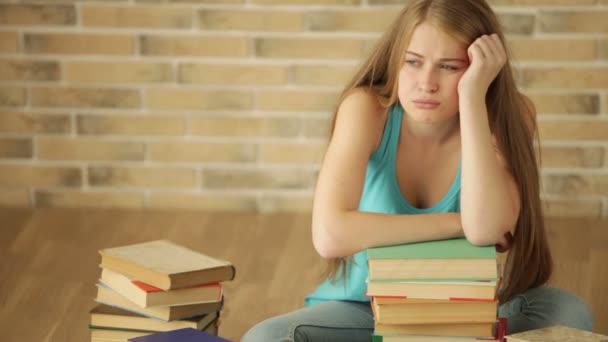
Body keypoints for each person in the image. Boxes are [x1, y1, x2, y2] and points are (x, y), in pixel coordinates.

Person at [242, 0, 594, 341]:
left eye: (450, 67)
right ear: (395, 60)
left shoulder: (510, 115)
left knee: (569, 312)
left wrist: (473, 99)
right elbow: (329, 235)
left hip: (472, 310)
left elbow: (486, 228)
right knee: (267, 337)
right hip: (368, 307)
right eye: (413, 62)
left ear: (479, 70)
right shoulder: (366, 109)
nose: (427, 83)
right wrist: (457, 225)